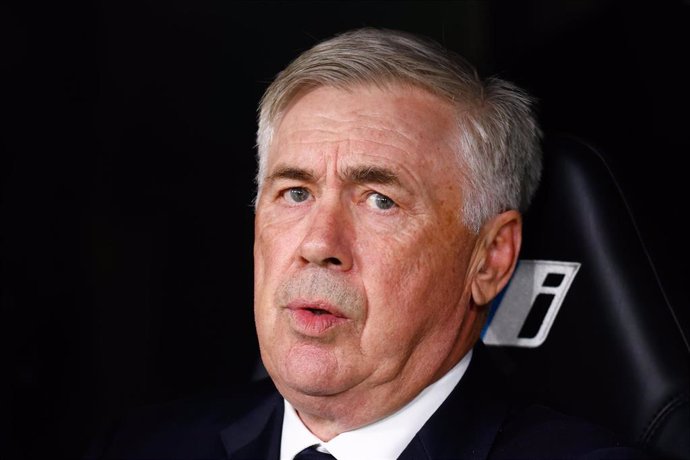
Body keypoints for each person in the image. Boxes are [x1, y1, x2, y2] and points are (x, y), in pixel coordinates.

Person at [85, 27, 648, 460]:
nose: (318, 245)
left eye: (380, 199)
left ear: (491, 258)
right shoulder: (144, 445)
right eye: (295, 192)